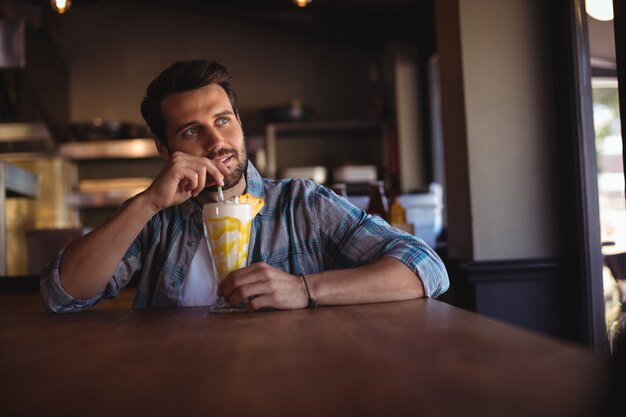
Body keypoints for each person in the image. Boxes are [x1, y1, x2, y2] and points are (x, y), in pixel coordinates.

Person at [40, 59, 449, 313]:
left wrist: (303, 289)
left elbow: (427, 268)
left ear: (239, 123)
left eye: (223, 121)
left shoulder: (301, 204)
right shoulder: (153, 218)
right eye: (191, 131)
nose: (215, 141)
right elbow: (62, 295)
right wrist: (147, 203)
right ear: (165, 149)